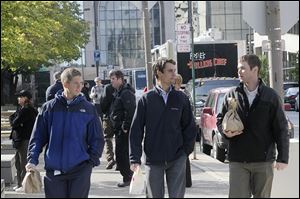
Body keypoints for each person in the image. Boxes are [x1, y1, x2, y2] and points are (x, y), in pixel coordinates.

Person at [217, 54, 289, 198]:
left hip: (263, 161)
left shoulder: (271, 96)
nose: (239, 71)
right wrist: (225, 133)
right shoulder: (232, 94)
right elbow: (219, 120)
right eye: (238, 68)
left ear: (255, 70)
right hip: (238, 160)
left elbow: (281, 128)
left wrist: (283, 158)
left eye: (243, 68)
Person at [26, 68, 104, 198]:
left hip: (80, 171)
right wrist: (32, 160)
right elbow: (38, 137)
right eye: (76, 83)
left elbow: (97, 138)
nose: (80, 86)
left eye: (82, 83)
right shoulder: (48, 108)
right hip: (54, 171)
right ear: (65, 84)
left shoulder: (89, 108)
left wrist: (91, 162)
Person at [129, 59, 197, 198]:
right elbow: (136, 131)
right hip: (153, 159)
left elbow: (189, 127)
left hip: (177, 157)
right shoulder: (146, 99)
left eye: (174, 70)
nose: (174, 74)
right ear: (159, 73)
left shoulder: (181, 98)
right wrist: (134, 159)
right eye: (170, 71)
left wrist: (185, 152)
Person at [109, 70, 136, 187]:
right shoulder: (119, 92)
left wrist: (125, 126)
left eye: (113, 79)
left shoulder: (125, 93)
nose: (111, 82)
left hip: (124, 130)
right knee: (120, 155)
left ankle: (128, 177)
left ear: (120, 79)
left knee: (122, 154)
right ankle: (127, 177)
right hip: (119, 128)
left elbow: (130, 110)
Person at [9, 90, 38, 192]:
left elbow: (14, 122)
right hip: (20, 140)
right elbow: (14, 120)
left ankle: (25, 185)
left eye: (20, 97)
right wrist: (14, 119)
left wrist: (14, 119)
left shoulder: (26, 110)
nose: (18, 99)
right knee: (18, 163)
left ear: (25, 98)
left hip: (24, 139)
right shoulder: (22, 109)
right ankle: (20, 184)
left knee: (23, 163)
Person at [174, 74, 192, 188]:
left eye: (174, 83)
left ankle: (187, 181)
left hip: (182, 130)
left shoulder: (183, 96)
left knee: (184, 158)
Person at [100, 82, 116, 170]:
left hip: (108, 117)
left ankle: (110, 158)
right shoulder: (124, 88)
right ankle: (120, 161)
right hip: (118, 117)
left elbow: (103, 102)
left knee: (107, 139)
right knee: (119, 139)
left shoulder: (107, 88)